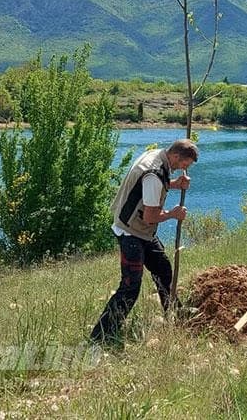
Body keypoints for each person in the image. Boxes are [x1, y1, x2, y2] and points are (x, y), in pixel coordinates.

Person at [89, 138, 198, 344]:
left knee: (164, 270)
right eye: (185, 164)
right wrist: (173, 214)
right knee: (130, 286)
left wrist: (174, 184)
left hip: (142, 231)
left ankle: (174, 313)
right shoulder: (154, 174)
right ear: (175, 156)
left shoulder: (158, 157)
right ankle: (101, 336)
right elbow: (150, 216)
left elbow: (151, 189)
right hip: (131, 232)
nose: (185, 168)